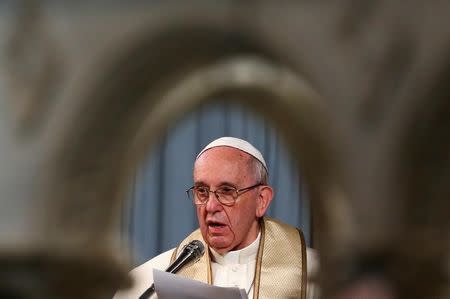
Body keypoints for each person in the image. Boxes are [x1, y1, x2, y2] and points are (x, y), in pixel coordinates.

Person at [114, 137, 319, 299]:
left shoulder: (313, 276)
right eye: (202, 191)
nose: (211, 206)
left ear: (261, 200)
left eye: (227, 191)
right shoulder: (150, 280)